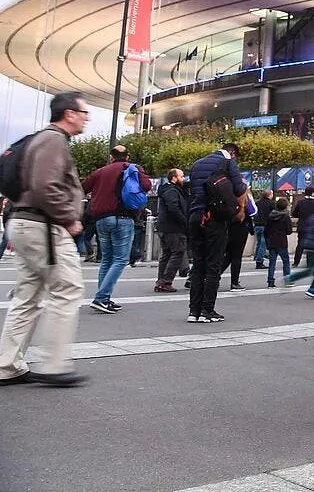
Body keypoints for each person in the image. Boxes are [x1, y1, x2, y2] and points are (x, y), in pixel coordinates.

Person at [0, 91, 90, 387]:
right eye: (83, 112)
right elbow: (45, 186)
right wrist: (69, 217)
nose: (86, 118)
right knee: (67, 288)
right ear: (69, 114)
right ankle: (54, 364)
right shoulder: (54, 140)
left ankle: (7, 364)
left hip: (25, 222)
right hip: (45, 226)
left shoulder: (40, 138)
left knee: (28, 296)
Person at [81, 144, 151, 313]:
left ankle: (104, 299)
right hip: (122, 217)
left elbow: (82, 188)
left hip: (101, 219)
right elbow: (147, 186)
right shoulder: (132, 168)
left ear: (111, 157)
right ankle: (101, 298)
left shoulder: (99, 172)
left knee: (106, 260)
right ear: (127, 157)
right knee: (120, 260)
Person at [186, 142, 247, 324]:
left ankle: (193, 311)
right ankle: (207, 310)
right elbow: (239, 189)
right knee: (214, 265)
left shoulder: (197, 164)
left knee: (198, 265)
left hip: (195, 217)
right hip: (214, 219)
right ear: (232, 153)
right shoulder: (228, 163)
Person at [283, 201, 314, 298]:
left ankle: (296, 280)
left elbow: (308, 230)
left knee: (311, 269)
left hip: (307, 245)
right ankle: (311, 288)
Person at [155, 169, 189, 293]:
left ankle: (161, 281)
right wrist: (184, 221)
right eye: (182, 176)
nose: (184, 178)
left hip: (164, 227)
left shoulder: (167, 190)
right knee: (178, 253)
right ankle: (165, 282)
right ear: (174, 178)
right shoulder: (172, 191)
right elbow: (173, 208)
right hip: (173, 227)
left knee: (167, 254)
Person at [221, 190, 256, 290]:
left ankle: (214, 276)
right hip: (240, 227)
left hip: (228, 227)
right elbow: (253, 211)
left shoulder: (227, 194)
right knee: (236, 256)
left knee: (228, 255)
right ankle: (234, 282)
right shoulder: (243, 195)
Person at [253, 189, 274, 269]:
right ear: (269, 195)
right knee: (263, 244)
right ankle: (259, 261)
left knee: (259, 243)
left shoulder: (257, 202)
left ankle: (256, 256)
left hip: (257, 225)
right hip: (265, 225)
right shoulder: (271, 203)